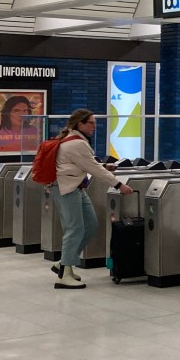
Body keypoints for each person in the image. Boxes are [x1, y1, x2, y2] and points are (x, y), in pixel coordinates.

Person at [51, 109, 133, 289]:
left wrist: (104, 166)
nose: (94, 126)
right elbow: (94, 169)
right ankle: (63, 274)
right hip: (66, 187)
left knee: (90, 224)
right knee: (75, 228)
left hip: (76, 187)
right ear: (80, 124)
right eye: (91, 123)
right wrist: (119, 185)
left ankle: (64, 263)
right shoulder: (77, 143)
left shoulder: (77, 141)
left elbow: (89, 164)